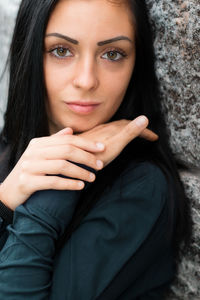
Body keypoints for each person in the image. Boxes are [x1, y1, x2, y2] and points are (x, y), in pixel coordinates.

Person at [0, 0, 191, 299]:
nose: (87, 80)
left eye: (112, 54)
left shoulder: (140, 189)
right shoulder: (9, 146)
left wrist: (59, 183)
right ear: (30, 51)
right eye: (61, 50)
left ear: (135, 64)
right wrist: (4, 201)